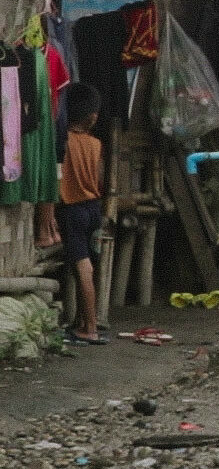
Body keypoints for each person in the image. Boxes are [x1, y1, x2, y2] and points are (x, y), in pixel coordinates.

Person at [57, 84, 107, 345]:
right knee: (90, 265)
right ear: (92, 117)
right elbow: (99, 180)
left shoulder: (62, 141)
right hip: (93, 208)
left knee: (82, 267)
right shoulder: (96, 144)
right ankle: (84, 322)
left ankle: (90, 327)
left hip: (73, 209)